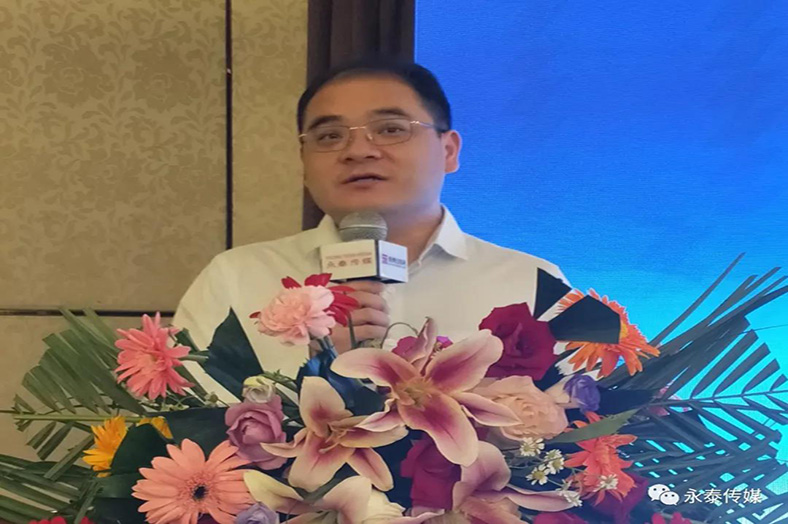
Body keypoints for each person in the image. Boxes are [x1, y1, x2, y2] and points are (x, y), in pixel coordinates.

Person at [173, 59, 567, 398]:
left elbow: (581, 429)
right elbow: (184, 424)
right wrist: (321, 369)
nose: (359, 151)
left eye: (391, 129)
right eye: (329, 136)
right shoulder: (236, 278)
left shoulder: (532, 282)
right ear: (304, 162)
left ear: (449, 151)